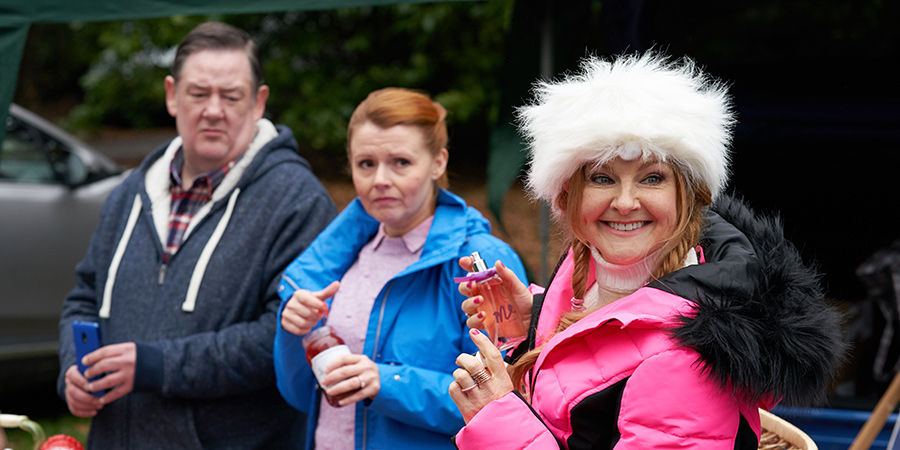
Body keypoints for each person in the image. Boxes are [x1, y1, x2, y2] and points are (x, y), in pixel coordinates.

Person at [448, 52, 845, 448]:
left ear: (688, 196)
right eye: (602, 178)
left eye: (652, 178)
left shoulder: (685, 358)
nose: (624, 202)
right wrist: (534, 319)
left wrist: (496, 421)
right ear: (568, 194)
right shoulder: (584, 269)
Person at [56, 21, 337, 449]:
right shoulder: (129, 194)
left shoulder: (296, 201)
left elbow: (282, 337)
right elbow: (84, 297)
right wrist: (73, 368)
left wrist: (156, 365)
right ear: (172, 94)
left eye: (231, 96)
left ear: (259, 102)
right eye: (199, 93)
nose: (213, 109)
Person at [273, 87, 528, 449]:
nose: (380, 179)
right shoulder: (333, 259)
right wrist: (291, 331)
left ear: (438, 163)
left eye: (400, 163)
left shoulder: (479, 261)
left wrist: (388, 383)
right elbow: (300, 395)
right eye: (366, 164)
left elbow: (506, 397)